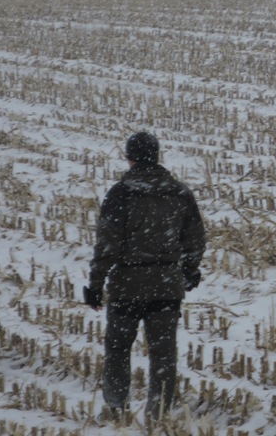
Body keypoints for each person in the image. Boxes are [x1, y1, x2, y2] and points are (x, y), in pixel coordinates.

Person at [83, 131, 206, 422]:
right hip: (166, 287)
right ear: (156, 156)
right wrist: (189, 270)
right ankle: (158, 414)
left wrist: (95, 284)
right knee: (164, 355)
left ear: (130, 158)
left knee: (117, 349)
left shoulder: (120, 194)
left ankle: (116, 411)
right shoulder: (179, 192)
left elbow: (107, 245)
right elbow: (196, 239)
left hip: (127, 286)